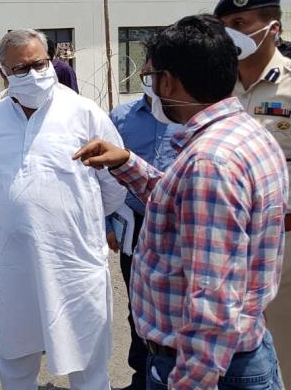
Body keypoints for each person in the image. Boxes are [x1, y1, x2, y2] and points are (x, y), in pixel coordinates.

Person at [75, 14, 288, 389]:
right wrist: (126, 163)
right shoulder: (244, 133)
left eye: (151, 77)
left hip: (205, 369)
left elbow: (213, 299)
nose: (152, 87)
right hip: (236, 354)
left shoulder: (209, 163)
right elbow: (183, 207)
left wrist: (189, 381)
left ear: (169, 81)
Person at [0, 29, 125, 390]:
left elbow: (115, 186)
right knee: (15, 355)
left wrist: (71, 217)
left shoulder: (84, 113)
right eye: (21, 69)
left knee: (87, 358)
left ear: (51, 62)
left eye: (39, 64)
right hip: (16, 263)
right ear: (4, 73)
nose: (34, 74)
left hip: (73, 261)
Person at [215, 0, 291, 390]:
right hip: (227, 246)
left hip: (290, 246)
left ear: (273, 27)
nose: (231, 34)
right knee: (235, 359)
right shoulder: (217, 90)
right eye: (225, 26)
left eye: (240, 23)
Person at [105, 92, 181, 390]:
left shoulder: (188, 117)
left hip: (179, 225)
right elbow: (103, 175)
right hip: (134, 223)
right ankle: (142, 376)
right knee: (137, 303)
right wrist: (108, 222)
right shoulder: (120, 117)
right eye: (146, 71)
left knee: (177, 305)